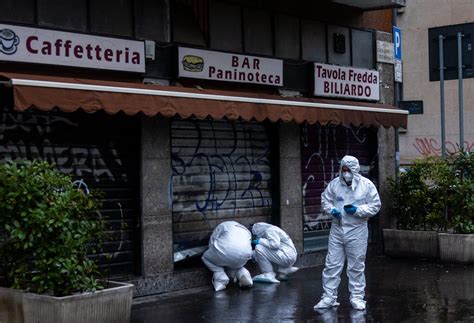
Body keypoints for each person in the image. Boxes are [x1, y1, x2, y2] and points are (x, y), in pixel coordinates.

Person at [314, 155, 381, 311]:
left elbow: (376, 205)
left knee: (356, 265)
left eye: (348, 170)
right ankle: (329, 297)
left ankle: (357, 297)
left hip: (357, 229)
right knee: (332, 264)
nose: (346, 173)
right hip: (337, 228)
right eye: (343, 170)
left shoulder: (366, 185)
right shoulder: (335, 184)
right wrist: (332, 210)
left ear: (355, 170)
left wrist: (358, 210)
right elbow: (325, 199)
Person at [202, 221, 253, 291]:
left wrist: (212, 252)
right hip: (245, 256)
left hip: (225, 252)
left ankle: (220, 277)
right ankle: (243, 273)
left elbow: (212, 241)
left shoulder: (222, 225)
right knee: (234, 264)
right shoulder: (246, 230)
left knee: (205, 257)